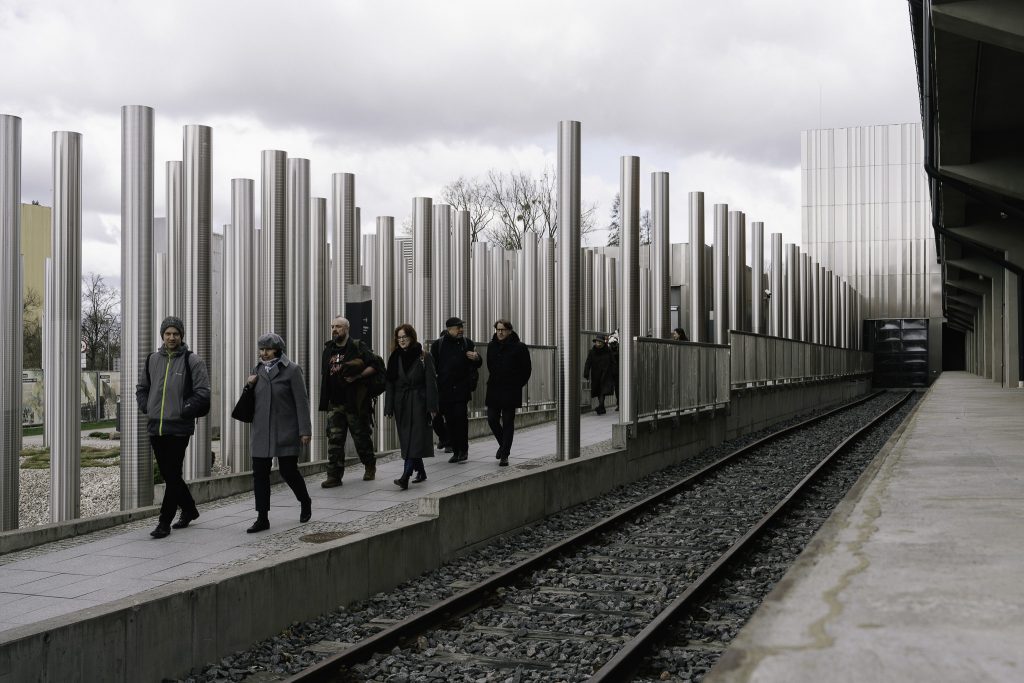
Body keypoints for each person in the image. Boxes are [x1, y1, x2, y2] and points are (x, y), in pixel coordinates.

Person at [136, 315, 211, 539]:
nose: (171, 337)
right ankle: (189, 509)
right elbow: (142, 388)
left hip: (179, 428)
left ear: (181, 336)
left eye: (175, 334)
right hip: (155, 427)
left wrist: (184, 409)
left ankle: (164, 522)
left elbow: (203, 391)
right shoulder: (152, 359)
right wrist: (146, 407)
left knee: (172, 474)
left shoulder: (192, 360)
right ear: (162, 336)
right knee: (171, 476)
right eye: (168, 333)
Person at [243, 333, 313, 533]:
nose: (263, 353)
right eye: (261, 349)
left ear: (277, 350)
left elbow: (302, 402)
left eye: (268, 349)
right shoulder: (256, 370)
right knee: (260, 474)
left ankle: (305, 501)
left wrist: (304, 431)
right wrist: (248, 385)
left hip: (286, 430)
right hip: (261, 431)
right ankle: (262, 517)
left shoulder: (292, 370)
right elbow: (249, 400)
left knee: (288, 471)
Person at [319, 316, 382, 487]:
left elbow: (375, 365)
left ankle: (369, 465)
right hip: (335, 402)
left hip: (354, 401)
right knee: (334, 440)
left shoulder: (357, 346)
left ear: (346, 329)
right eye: (332, 326)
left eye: (338, 326)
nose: (334, 329)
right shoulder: (329, 349)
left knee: (361, 437)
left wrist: (359, 376)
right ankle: (334, 476)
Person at [383, 324, 439, 489]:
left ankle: (405, 476)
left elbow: (431, 383)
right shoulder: (394, 357)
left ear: (411, 337)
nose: (401, 340)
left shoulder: (424, 356)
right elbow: (390, 385)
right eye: (399, 338)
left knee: (414, 439)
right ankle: (420, 471)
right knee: (408, 440)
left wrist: (432, 407)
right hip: (402, 404)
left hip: (419, 403)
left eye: (404, 337)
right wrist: (388, 408)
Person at [430, 316, 482, 463]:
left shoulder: (467, 343)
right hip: (444, 391)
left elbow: (477, 364)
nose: (461, 330)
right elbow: (432, 368)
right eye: (458, 327)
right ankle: (455, 450)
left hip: (461, 389)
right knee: (450, 421)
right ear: (449, 329)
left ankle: (463, 450)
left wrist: (477, 358)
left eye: (461, 327)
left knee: (461, 419)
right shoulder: (438, 345)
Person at [484, 319, 532, 467]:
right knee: (492, 419)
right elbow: (490, 365)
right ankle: (503, 445)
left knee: (508, 421)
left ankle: (504, 454)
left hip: (511, 390)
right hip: (494, 388)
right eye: (498, 329)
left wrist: (517, 384)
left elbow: (526, 370)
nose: (500, 332)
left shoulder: (519, 347)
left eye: (503, 330)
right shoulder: (491, 346)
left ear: (509, 331)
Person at [583, 336, 615, 415]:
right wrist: (586, 372)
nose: (598, 343)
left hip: (606, 373)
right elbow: (588, 363)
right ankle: (602, 407)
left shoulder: (608, 351)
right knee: (598, 390)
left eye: (600, 342)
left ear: (603, 343)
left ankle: (601, 406)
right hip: (596, 374)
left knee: (603, 390)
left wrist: (613, 372)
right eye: (597, 342)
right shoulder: (592, 352)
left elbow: (613, 362)